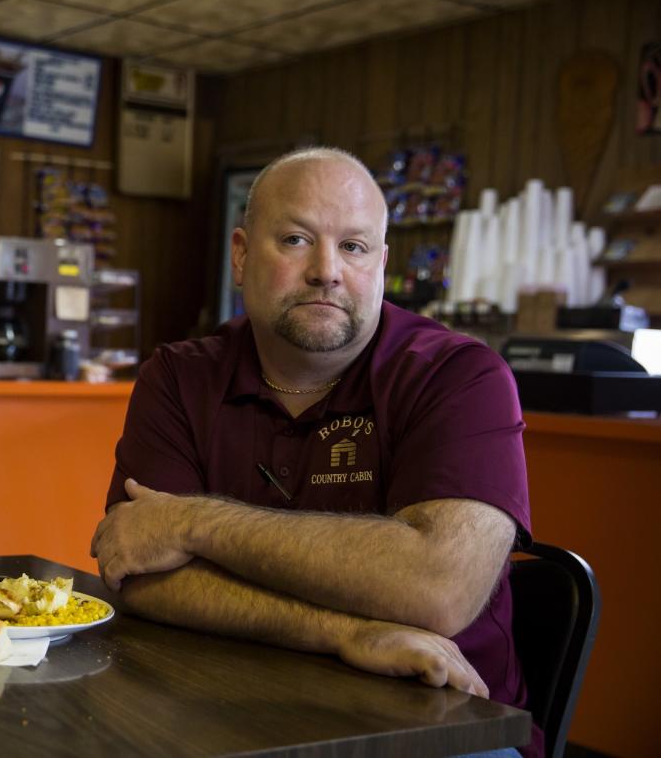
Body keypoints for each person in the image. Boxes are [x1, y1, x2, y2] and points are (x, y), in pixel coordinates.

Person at [90, 147, 538, 758]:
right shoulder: (177, 377)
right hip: (227, 707)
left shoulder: (461, 377)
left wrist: (191, 522)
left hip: (441, 730)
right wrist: (347, 631)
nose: (326, 270)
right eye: (297, 239)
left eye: (353, 247)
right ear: (242, 255)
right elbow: (135, 575)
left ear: (381, 264)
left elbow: (437, 587)